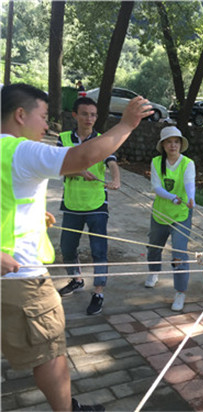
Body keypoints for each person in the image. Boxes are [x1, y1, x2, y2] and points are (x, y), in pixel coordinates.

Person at [1, 83, 151, 411]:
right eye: (42, 117)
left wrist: (29, 214)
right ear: (20, 115)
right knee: (51, 355)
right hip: (23, 282)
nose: (46, 126)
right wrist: (126, 124)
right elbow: (82, 156)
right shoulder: (19, 150)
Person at [56, 97, 120, 315]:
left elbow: (112, 162)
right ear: (75, 115)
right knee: (66, 247)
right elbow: (59, 167)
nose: (89, 119)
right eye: (84, 114)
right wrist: (79, 171)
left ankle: (99, 292)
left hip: (96, 205)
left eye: (93, 115)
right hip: (72, 204)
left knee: (99, 251)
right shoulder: (63, 138)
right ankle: (76, 279)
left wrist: (116, 179)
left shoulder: (102, 139)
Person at [145, 126, 195, 312]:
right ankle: (153, 272)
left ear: (181, 144)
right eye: (169, 142)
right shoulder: (156, 162)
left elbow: (190, 183)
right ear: (163, 145)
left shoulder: (188, 163)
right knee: (153, 246)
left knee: (179, 253)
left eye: (176, 141)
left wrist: (191, 198)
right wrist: (172, 197)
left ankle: (180, 292)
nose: (173, 145)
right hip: (160, 212)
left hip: (181, 215)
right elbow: (156, 187)